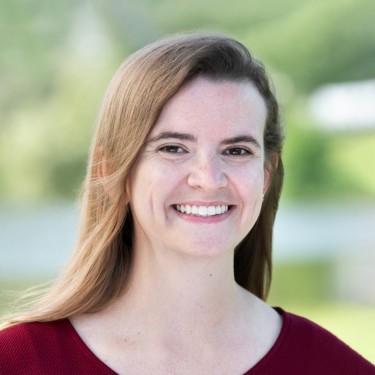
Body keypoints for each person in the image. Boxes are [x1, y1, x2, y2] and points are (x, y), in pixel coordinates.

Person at [0, 32, 374, 375]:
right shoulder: (18, 361)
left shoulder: (334, 367)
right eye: (173, 148)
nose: (208, 178)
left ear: (267, 174)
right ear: (112, 170)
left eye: (237, 150)